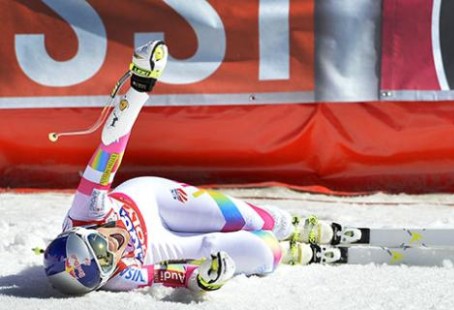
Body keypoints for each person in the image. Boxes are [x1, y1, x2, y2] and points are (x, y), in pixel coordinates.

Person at [43, 41, 336, 296]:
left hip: (148, 201)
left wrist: (139, 86)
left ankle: (287, 225)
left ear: (84, 232)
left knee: (255, 220)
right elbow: (171, 276)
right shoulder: (120, 277)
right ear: (105, 277)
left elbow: (111, 148)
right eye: (106, 261)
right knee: (264, 252)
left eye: (97, 241)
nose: (113, 245)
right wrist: (205, 280)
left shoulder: (85, 211)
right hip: (159, 244)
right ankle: (288, 250)